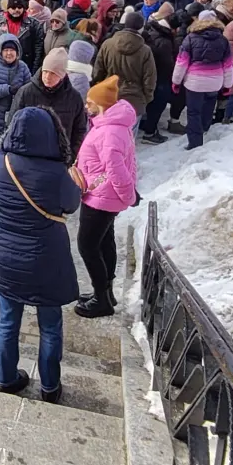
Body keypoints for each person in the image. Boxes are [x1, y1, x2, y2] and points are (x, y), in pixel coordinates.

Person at [0, 106, 80, 402]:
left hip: (7, 254)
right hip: (46, 259)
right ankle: (50, 386)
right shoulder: (56, 174)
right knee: (50, 325)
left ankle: (6, 378)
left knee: (7, 320)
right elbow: (70, 205)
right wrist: (76, 183)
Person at [73, 77, 137, 317]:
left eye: (90, 102)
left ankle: (102, 299)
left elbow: (117, 170)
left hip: (101, 197)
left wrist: (126, 195)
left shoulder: (109, 132)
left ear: (101, 104)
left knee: (87, 245)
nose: (86, 105)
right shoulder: (110, 125)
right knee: (103, 242)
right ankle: (105, 292)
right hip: (103, 195)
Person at [11, 48, 89, 160]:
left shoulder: (74, 98)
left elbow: (79, 130)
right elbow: (12, 125)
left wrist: (70, 156)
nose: (47, 77)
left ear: (62, 75)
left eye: (53, 73)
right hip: (29, 157)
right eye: (45, 71)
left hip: (59, 160)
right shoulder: (26, 92)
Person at [170, 12, 233, 149]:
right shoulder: (223, 40)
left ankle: (195, 142)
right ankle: (204, 128)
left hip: (195, 82)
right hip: (215, 82)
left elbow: (181, 63)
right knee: (208, 108)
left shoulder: (190, 38)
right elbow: (228, 65)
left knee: (193, 112)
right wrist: (228, 85)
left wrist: (176, 81)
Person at [92, 10, 157, 127]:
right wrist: (145, 99)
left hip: (109, 95)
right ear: (141, 27)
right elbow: (150, 79)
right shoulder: (145, 51)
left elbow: (98, 71)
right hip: (134, 100)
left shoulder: (108, 44)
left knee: (108, 133)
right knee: (128, 138)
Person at [0, 33, 31, 147]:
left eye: (12, 50)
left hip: (16, 114)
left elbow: (29, 88)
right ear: (0, 51)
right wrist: (8, 89)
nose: (9, 53)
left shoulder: (22, 67)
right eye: (6, 50)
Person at [140, 5, 177, 144]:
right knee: (158, 104)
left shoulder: (153, 31)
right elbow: (167, 64)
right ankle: (150, 133)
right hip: (160, 78)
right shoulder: (165, 41)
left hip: (153, 76)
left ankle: (149, 127)